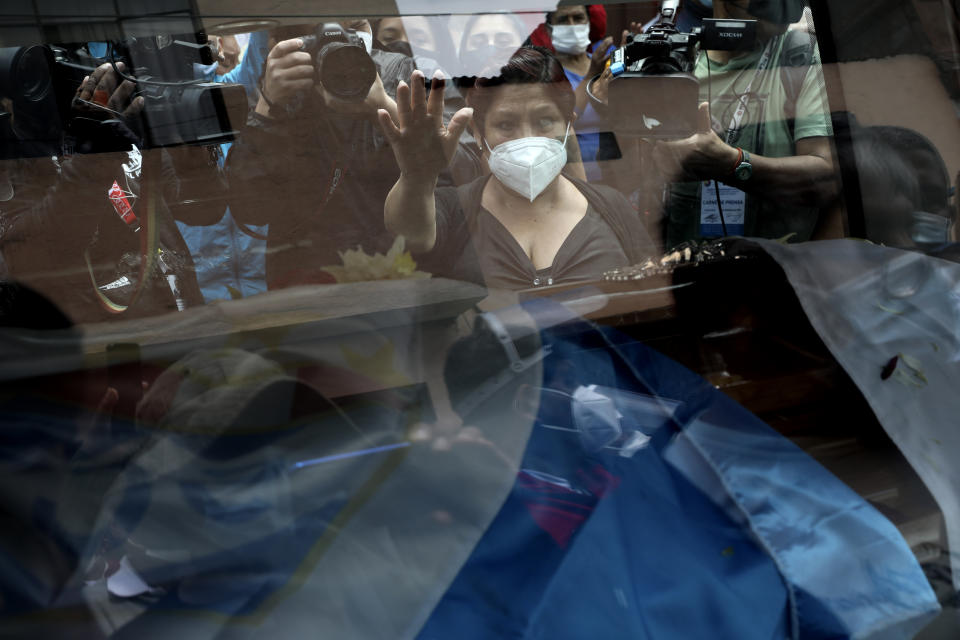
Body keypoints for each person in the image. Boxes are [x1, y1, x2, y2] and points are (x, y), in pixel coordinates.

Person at [380, 47, 654, 290]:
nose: (526, 139)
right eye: (506, 125)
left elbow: (649, 294)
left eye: (545, 122)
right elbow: (410, 234)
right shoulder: (454, 209)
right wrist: (417, 177)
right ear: (477, 132)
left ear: (568, 126)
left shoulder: (610, 207)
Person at [227, 20, 414, 289]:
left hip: (390, 267)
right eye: (312, 33)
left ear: (361, 26)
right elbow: (250, 210)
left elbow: (441, 172)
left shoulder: (396, 70)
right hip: (303, 276)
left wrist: (382, 107)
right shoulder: (281, 81)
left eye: (348, 26)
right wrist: (268, 107)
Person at [655, 0, 838, 248]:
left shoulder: (799, 59)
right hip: (684, 268)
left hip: (773, 270)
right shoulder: (678, 64)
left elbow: (824, 180)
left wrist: (734, 164)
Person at [527, 4, 616, 181]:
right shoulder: (545, 74)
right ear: (549, 29)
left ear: (589, 23)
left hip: (615, 170)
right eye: (562, 20)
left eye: (578, 18)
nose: (572, 24)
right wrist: (591, 75)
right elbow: (563, 119)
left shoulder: (607, 64)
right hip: (573, 176)